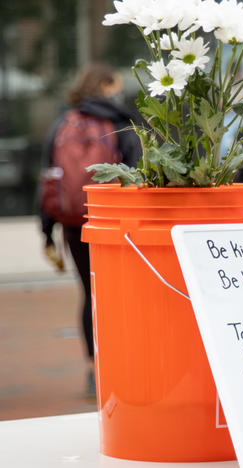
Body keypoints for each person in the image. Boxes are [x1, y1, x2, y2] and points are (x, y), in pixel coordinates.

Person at [40, 64, 141, 397]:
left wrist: (46, 231)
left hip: (74, 225)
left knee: (91, 293)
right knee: (124, 296)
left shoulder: (63, 123)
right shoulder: (121, 123)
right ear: (108, 85)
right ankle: (125, 364)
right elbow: (138, 174)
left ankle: (92, 367)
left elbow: (50, 178)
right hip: (115, 222)